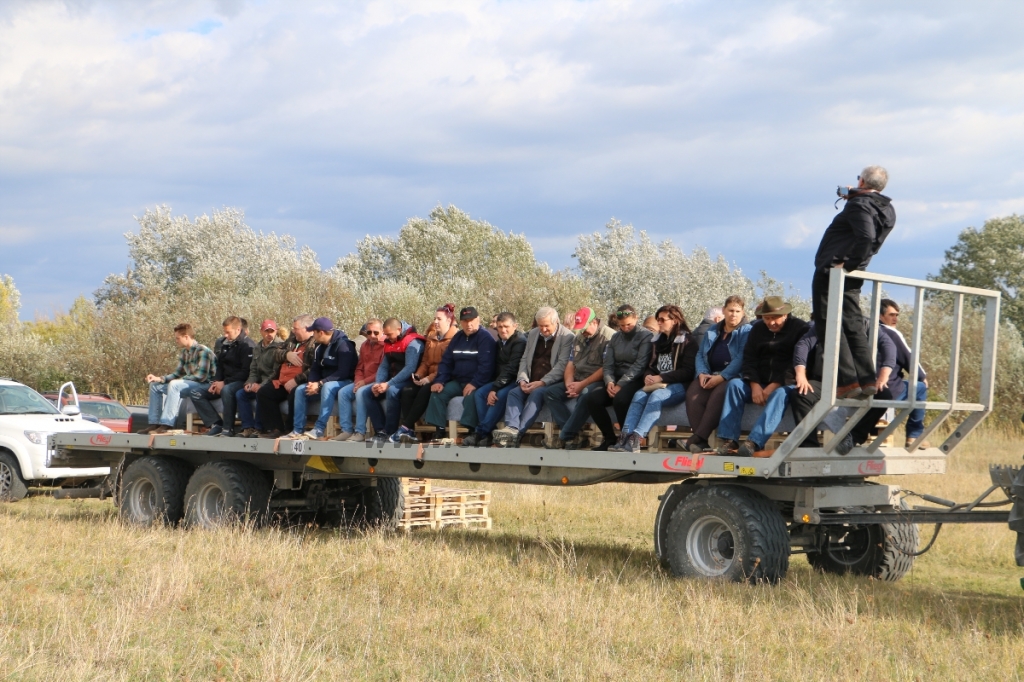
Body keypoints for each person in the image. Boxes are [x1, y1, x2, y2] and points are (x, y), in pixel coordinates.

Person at [812, 165, 896, 398]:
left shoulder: (858, 205)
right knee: (853, 324)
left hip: (834, 271)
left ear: (861, 182)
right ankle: (867, 380)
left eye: (858, 179)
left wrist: (848, 264)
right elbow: (874, 242)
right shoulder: (887, 208)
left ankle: (848, 382)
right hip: (854, 272)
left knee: (827, 324)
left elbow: (867, 236)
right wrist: (858, 264)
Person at [716, 297, 809, 457]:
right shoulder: (757, 329)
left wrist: (773, 386)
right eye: (767, 318)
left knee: (781, 394)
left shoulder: (799, 328)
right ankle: (729, 440)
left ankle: (754, 442)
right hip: (758, 381)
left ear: (785, 315)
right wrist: (754, 384)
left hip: (785, 383)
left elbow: (795, 362)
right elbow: (749, 359)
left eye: (775, 318)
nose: (771, 323)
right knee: (734, 385)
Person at [791, 319, 898, 454]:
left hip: (856, 381)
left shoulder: (864, 323)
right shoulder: (824, 322)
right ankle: (808, 445)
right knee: (801, 393)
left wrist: (883, 376)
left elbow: (888, 345)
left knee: (884, 395)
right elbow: (803, 345)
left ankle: (853, 437)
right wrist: (800, 374)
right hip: (825, 381)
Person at [398, 306, 496, 443]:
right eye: (465, 321)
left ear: (478, 320)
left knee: (471, 397)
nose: (469, 324)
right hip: (458, 380)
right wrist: (440, 380)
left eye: (472, 320)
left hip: (477, 382)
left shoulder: (485, 338)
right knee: (437, 393)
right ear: (460, 322)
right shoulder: (458, 338)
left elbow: (487, 367)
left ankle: (471, 431)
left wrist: (474, 383)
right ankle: (439, 430)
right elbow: (446, 362)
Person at [611, 305, 697, 453]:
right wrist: (648, 376)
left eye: (663, 319)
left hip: (679, 386)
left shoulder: (688, 341)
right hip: (658, 383)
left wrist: (661, 377)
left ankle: (636, 438)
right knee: (638, 395)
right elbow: (650, 366)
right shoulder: (657, 341)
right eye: (658, 319)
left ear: (675, 320)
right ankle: (625, 436)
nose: (659, 322)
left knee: (657, 396)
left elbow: (688, 372)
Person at [574, 304, 653, 450]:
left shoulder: (645, 336)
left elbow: (640, 365)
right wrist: (609, 381)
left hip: (635, 379)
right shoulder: (616, 337)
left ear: (636, 318)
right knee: (592, 399)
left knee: (620, 399)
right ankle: (609, 438)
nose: (625, 328)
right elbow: (608, 364)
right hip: (615, 378)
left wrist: (620, 385)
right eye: (622, 325)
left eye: (629, 324)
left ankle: (626, 439)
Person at [493, 307, 574, 447]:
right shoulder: (532, 334)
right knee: (514, 393)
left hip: (551, 382)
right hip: (531, 379)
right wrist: (522, 379)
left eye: (546, 326)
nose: (543, 329)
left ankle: (518, 434)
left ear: (556, 323)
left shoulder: (567, 337)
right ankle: (511, 428)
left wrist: (542, 382)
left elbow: (562, 366)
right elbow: (524, 359)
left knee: (536, 394)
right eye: (540, 325)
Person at [684, 296, 751, 453]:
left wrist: (722, 377)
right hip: (710, 372)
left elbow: (742, 357)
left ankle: (698, 438)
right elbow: (700, 354)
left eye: (737, 311)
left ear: (742, 313)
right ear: (723, 311)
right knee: (693, 395)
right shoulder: (713, 329)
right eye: (730, 310)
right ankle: (701, 441)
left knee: (718, 395)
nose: (733, 314)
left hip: (733, 376)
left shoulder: (747, 331)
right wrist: (701, 373)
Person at [544, 307, 615, 450]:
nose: (582, 332)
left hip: (597, 381)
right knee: (550, 393)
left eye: (584, 327)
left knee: (586, 394)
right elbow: (570, 363)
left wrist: (581, 385)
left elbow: (606, 368)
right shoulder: (579, 337)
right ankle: (575, 434)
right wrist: (569, 383)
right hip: (578, 378)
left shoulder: (609, 337)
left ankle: (565, 436)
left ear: (594, 322)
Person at [461, 312, 527, 447]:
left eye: (506, 326)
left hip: (515, 381)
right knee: (479, 393)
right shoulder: (499, 343)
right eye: (500, 327)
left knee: (500, 395)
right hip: (500, 380)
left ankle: (480, 432)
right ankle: (488, 433)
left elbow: (512, 369)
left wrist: (495, 388)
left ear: (515, 326)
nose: (503, 330)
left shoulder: (519, 341)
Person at [285, 317, 356, 440]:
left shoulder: (344, 345)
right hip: (324, 382)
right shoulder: (319, 347)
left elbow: (342, 373)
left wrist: (320, 383)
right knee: (301, 389)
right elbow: (315, 369)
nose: (313, 334)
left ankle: (319, 429)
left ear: (321, 332)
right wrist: (312, 383)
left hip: (345, 381)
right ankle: (297, 429)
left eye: (314, 332)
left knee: (327, 387)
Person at [393, 305, 457, 441]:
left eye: (439, 319)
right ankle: (411, 430)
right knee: (407, 390)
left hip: (444, 377)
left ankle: (405, 427)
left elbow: (447, 366)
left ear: (449, 321)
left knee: (425, 390)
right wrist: (419, 375)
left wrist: (429, 379)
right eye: (435, 318)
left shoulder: (455, 339)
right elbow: (426, 362)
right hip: (428, 377)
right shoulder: (432, 337)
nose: (435, 322)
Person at [140, 323, 217, 435]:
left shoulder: (202, 350)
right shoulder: (184, 353)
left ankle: (166, 424)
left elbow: (201, 376)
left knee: (175, 385)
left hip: (205, 386)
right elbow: (177, 374)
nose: (176, 340)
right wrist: (159, 378)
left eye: (178, 338)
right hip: (188, 385)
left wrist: (180, 380)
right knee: (155, 386)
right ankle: (154, 423)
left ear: (186, 336)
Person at [190, 316, 256, 437]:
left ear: (238, 329)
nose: (225, 335)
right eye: (224, 332)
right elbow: (220, 366)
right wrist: (216, 382)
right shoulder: (225, 344)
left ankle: (228, 428)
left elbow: (246, 372)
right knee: (196, 392)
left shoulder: (248, 346)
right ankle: (216, 423)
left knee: (227, 390)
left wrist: (224, 383)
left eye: (228, 332)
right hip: (225, 381)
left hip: (240, 381)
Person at [363, 318, 425, 440]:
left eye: (389, 334)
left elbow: (410, 368)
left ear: (399, 329)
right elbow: (384, 365)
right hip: (392, 380)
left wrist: (389, 384)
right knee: (367, 393)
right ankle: (380, 431)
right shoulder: (389, 342)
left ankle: (390, 431)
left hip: (410, 380)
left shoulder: (413, 342)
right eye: (385, 334)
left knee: (392, 391)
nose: (387, 337)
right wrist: (379, 383)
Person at [879, 299, 929, 447]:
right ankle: (914, 435)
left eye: (897, 315)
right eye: (891, 315)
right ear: (881, 315)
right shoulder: (891, 333)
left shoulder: (865, 330)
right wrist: (922, 376)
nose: (895, 319)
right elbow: (909, 358)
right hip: (887, 388)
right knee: (920, 388)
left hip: (864, 387)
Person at [256, 315, 315, 439]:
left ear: (307, 328)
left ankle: (291, 429)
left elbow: (314, 369)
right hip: (282, 381)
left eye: (296, 328)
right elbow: (276, 353)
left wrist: (297, 380)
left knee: (296, 393)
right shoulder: (292, 340)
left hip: (300, 381)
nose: (293, 331)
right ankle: (276, 428)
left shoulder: (314, 344)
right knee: (264, 393)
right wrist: (287, 354)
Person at [332, 318, 385, 442]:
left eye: (376, 333)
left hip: (376, 381)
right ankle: (346, 430)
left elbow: (383, 371)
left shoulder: (385, 346)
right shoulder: (364, 345)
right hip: (363, 381)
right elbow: (359, 367)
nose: (372, 335)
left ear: (382, 332)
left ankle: (360, 431)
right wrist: (358, 382)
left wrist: (363, 383)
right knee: (343, 392)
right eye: (369, 332)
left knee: (361, 393)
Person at [237, 320, 283, 438]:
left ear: (276, 331)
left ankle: (259, 428)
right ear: (261, 332)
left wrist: (261, 385)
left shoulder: (280, 347)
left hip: (272, 383)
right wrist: (250, 382)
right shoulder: (257, 347)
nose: (269, 334)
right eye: (266, 331)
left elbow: (276, 372)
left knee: (261, 392)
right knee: (240, 394)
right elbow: (253, 369)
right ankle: (248, 427)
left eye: (272, 331)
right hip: (260, 381)